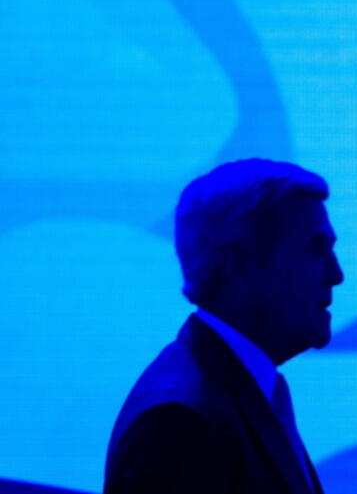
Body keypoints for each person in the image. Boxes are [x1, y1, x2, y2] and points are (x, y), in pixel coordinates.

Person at [104, 159, 344, 494]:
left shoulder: (241, 391)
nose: (336, 274)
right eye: (314, 250)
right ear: (238, 265)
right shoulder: (178, 420)